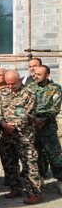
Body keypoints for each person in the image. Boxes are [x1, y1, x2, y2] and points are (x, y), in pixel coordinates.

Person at [0, 70, 42, 204]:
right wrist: (3, 124)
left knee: (30, 164)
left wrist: (12, 126)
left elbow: (27, 114)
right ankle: (15, 188)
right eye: (7, 84)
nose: (10, 87)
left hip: (24, 136)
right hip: (5, 135)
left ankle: (34, 193)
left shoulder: (29, 94)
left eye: (13, 84)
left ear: (19, 80)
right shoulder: (2, 93)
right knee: (9, 163)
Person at [29, 65, 62, 194]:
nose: (35, 76)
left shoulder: (55, 88)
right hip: (33, 126)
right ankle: (40, 179)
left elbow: (55, 108)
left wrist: (43, 120)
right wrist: (33, 119)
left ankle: (60, 180)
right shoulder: (30, 88)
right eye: (35, 74)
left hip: (48, 127)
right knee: (36, 155)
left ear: (47, 75)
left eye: (39, 74)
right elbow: (25, 106)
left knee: (54, 155)